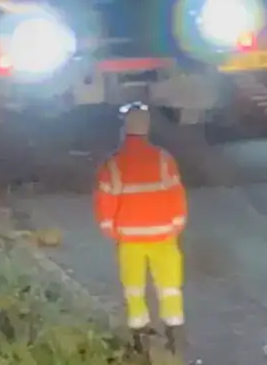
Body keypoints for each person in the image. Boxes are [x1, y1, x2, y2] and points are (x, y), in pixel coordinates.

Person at [93, 102, 188, 358]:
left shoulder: (113, 165)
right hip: (164, 236)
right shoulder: (163, 159)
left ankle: (140, 340)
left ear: (124, 130)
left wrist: (110, 228)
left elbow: (105, 202)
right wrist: (176, 224)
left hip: (130, 239)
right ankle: (174, 336)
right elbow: (176, 195)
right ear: (147, 130)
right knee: (169, 286)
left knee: (134, 288)